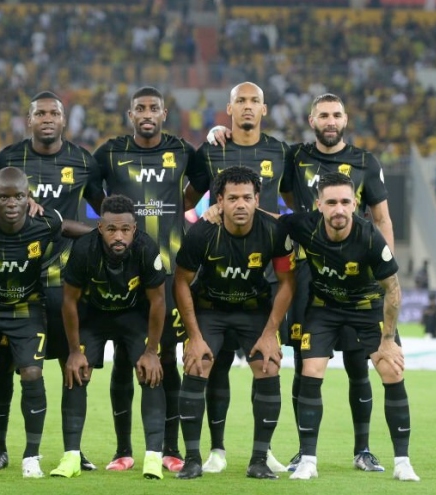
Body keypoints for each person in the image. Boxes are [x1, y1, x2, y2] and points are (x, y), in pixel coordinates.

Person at [209, 92, 395, 473]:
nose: (330, 121)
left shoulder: (365, 162)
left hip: (357, 275)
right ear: (312, 121)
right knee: (303, 359)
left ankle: (363, 450)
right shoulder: (295, 156)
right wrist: (218, 132)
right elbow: (257, 161)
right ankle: (303, 451)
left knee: (358, 364)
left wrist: (385, 266)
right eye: (323, 115)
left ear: (345, 119)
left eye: (336, 115)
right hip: (307, 271)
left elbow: (381, 219)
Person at [0, 91, 104, 472]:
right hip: (19, 281)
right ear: (29, 119)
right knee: (5, 365)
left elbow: (103, 213)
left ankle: (73, 450)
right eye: (40, 113)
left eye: (54, 113)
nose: (47, 119)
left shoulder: (83, 161)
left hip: (67, 281)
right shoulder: (7, 159)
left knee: (73, 362)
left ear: (64, 120)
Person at [0, 167, 93, 479]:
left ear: (29, 197)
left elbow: (66, 227)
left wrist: (103, 233)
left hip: (27, 306)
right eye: (4, 197)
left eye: (18, 197)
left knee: (32, 373)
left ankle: (31, 456)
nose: (11, 203)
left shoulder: (44, 221)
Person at [279, 172, 419, 482]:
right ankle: (308, 461)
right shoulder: (304, 225)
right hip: (324, 308)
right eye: (331, 203)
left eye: (345, 202)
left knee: (392, 370)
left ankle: (403, 462)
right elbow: (268, 220)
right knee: (310, 370)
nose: (339, 209)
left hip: (367, 308)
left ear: (355, 204)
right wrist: (218, 211)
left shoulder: (369, 237)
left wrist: (387, 340)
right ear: (319, 205)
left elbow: (393, 289)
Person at [93, 86, 204, 473]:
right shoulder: (111, 152)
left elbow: (201, 184)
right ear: (130, 114)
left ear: (163, 113)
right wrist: (113, 220)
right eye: (139, 108)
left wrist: (179, 205)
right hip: (123, 275)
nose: (146, 113)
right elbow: (90, 190)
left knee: (168, 359)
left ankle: (171, 448)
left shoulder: (182, 151)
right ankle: (123, 450)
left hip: (169, 273)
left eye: (153, 108)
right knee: (125, 358)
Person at [184, 81, 289, 474]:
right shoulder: (212, 149)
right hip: (215, 272)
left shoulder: (282, 151)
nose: (247, 107)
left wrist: (273, 223)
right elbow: (186, 202)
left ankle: (264, 451)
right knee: (215, 364)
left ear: (264, 109)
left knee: (267, 361)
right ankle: (216, 450)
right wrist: (202, 216)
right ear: (229, 109)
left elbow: (297, 207)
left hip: (263, 274)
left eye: (254, 101)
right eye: (240, 101)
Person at [174, 166, 295, 480]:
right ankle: (192, 459)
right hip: (210, 310)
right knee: (197, 364)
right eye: (232, 198)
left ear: (257, 200)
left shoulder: (274, 231)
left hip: (253, 311)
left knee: (268, 366)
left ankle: (259, 460)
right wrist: (194, 337)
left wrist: (270, 333)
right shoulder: (201, 232)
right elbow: (181, 283)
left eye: (246, 197)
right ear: (220, 201)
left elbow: (287, 283)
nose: (240, 204)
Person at [49, 194, 167, 480]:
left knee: (150, 373)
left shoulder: (147, 248)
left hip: (133, 316)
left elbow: (158, 301)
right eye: (112, 229)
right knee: (76, 373)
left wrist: (152, 352)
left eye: (125, 229)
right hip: (94, 316)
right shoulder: (83, 249)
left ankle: (153, 457)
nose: (119, 236)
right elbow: (69, 301)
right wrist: (74, 351)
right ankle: (71, 457)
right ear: (100, 227)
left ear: (134, 229)